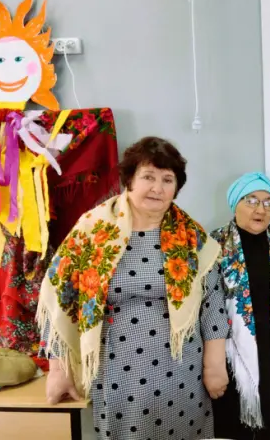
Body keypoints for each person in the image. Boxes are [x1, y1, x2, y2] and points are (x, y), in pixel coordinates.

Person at [37, 137, 229, 439]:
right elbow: (60, 299)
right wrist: (59, 371)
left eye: (167, 180)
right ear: (129, 180)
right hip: (117, 373)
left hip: (182, 374)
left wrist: (215, 366)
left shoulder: (191, 236)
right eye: (148, 177)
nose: (157, 188)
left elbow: (213, 303)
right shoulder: (92, 230)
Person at [211, 172, 270, 440]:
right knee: (236, 424)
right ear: (235, 203)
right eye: (251, 200)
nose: (260, 209)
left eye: (268, 202)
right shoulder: (213, 245)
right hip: (230, 355)